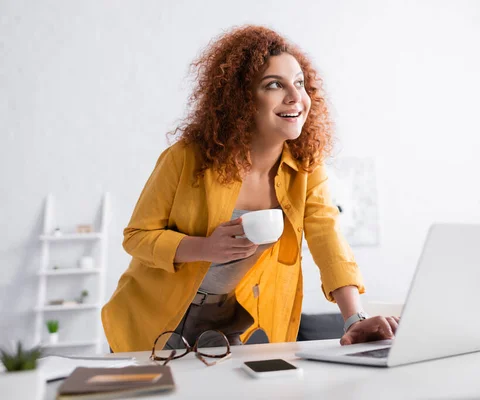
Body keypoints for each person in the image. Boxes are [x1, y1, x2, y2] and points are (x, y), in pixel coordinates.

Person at [102, 25, 399, 353]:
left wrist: (354, 318)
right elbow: (137, 236)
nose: (295, 97)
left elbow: (327, 237)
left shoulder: (305, 168)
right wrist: (205, 248)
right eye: (274, 84)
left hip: (227, 320)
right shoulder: (186, 158)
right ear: (240, 98)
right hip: (157, 314)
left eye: (299, 83)